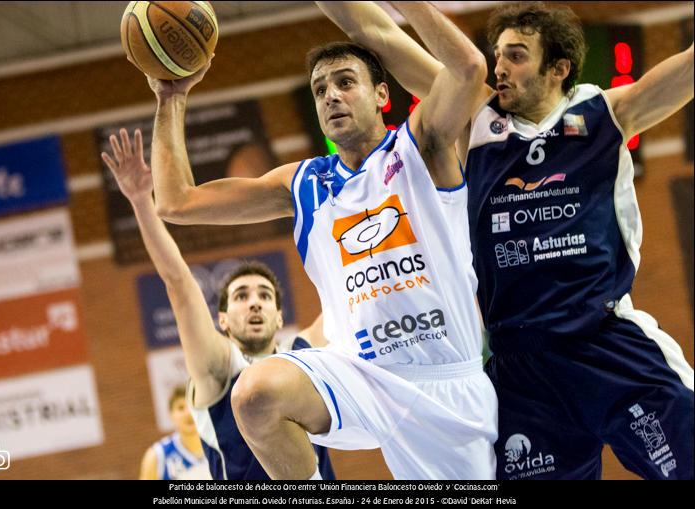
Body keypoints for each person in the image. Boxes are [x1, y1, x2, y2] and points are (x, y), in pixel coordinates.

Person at [321, 0, 694, 479]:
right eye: (496, 55)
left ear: (558, 68)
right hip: (522, 367)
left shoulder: (608, 113)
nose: (499, 67)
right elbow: (376, 31)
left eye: (516, 55)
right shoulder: (476, 119)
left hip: (606, 344)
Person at [146, 0, 497, 480]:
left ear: (381, 95)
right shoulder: (304, 183)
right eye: (320, 89)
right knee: (253, 393)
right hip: (362, 377)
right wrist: (171, 97)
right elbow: (176, 203)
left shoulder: (422, 145)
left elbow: (470, 69)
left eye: (345, 83)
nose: (330, 95)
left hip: (444, 381)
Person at [101, 129, 335, 480]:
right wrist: (140, 201)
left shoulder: (304, 353)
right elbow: (178, 282)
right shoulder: (219, 368)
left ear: (279, 316)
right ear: (223, 320)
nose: (254, 303)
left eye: (264, 296)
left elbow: (348, 292)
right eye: (242, 296)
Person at [139, 385, 210, 480]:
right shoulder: (157, 456)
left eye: (192, 405)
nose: (188, 413)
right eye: (181, 408)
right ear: (171, 415)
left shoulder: (219, 446)